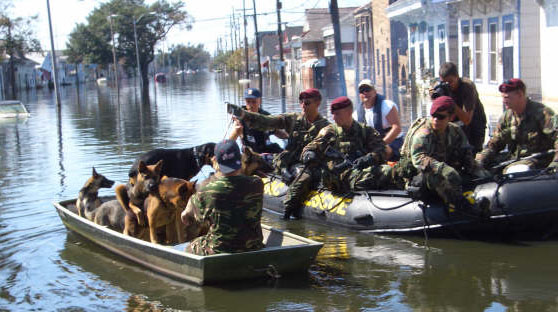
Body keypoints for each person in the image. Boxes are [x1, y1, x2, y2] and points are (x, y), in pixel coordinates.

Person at [227, 88, 330, 219]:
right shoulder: (293, 119)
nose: (303, 105)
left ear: (317, 103)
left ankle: (287, 213)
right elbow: (268, 121)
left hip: (308, 165)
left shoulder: (325, 127)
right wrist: (243, 114)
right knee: (254, 161)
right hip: (287, 160)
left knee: (303, 178)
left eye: (307, 103)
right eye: (301, 102)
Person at [395, 96, 480, 212]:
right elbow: (419, 158)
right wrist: (443, 169)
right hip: (420, 174)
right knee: (435, 177)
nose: (435, 120)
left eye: (441, 117)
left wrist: (481, 174)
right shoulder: (423, 133)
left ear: (451, 117)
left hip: (446, 169)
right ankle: (461, 205)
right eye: (433, 116)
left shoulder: (455, 132)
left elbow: (467, 156)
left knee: (468, 174)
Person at [181, 139, 264, 255]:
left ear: (215, 161)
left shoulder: (206, 191)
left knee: (189, 247)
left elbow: (186, 217)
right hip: (253, 246)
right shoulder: (257, 184)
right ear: (239, 160)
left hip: (219, 250)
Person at [302, 96, 393, 196]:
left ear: (349, 112)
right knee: (378, 174)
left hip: (359, 171)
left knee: (389, 171)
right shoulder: (329, 132)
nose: (333, 118)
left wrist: (369, 158)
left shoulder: (365, 130)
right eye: (333, 114)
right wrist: (309, 154)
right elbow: (309, 149)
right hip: (338, 176)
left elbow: (383, 150)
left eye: (337, 114)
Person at [476, 78, 558, 173]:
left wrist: (555, 163)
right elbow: (494, 144)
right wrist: (480, 161)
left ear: (520, 94)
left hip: (539, 163)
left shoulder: (543, 114)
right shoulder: (506, 117)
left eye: (507, 98)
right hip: (513, 161)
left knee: (518, 171)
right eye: (502, 98)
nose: (504, 101)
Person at [438, 62, 487, 153]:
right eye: (444, 82)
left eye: (450, 82)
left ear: (457, 76)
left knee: (472, 154)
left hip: (474, 125)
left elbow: (467, 120)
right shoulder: (442, 88)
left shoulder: (467, 86)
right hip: (456, 124)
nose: (448, 86)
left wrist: (450, 103)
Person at [353, 79, 404, 161]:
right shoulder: (355, 115)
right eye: (362, 91)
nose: (365, 93)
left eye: (367, 90)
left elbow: (397, 128)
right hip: (372, 146)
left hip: (393, 143)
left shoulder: (387, 106)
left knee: (382, 151)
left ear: (375, 91)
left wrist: (380, 145)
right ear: (359, 95)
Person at [229, 88, 287, 153]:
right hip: (251, 155)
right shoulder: (240, 118)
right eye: (248, 102)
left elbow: (277, 132)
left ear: (259, 101)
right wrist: (236, 132)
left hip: (267, 151)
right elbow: (230, 142)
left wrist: (290, 137)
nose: (251, 105)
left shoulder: (266, 116)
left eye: (254, 102)